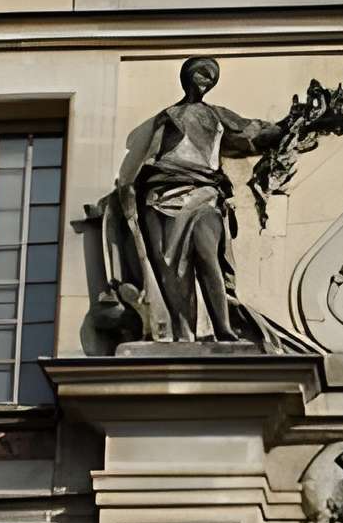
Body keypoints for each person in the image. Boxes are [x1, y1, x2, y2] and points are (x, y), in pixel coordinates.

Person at [116, 57, 281, 342]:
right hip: (162, 194)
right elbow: (151, 157)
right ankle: (184, 334)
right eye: (200, 73)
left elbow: (253, 132)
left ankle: (223, 327)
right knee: (172, 271)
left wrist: (293, 123)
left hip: (205, 193)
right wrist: (130, 191)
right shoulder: (169, 115)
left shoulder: (217, 115)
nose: (205, 80)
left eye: (210, 76)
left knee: (209, 255)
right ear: (187, 77)